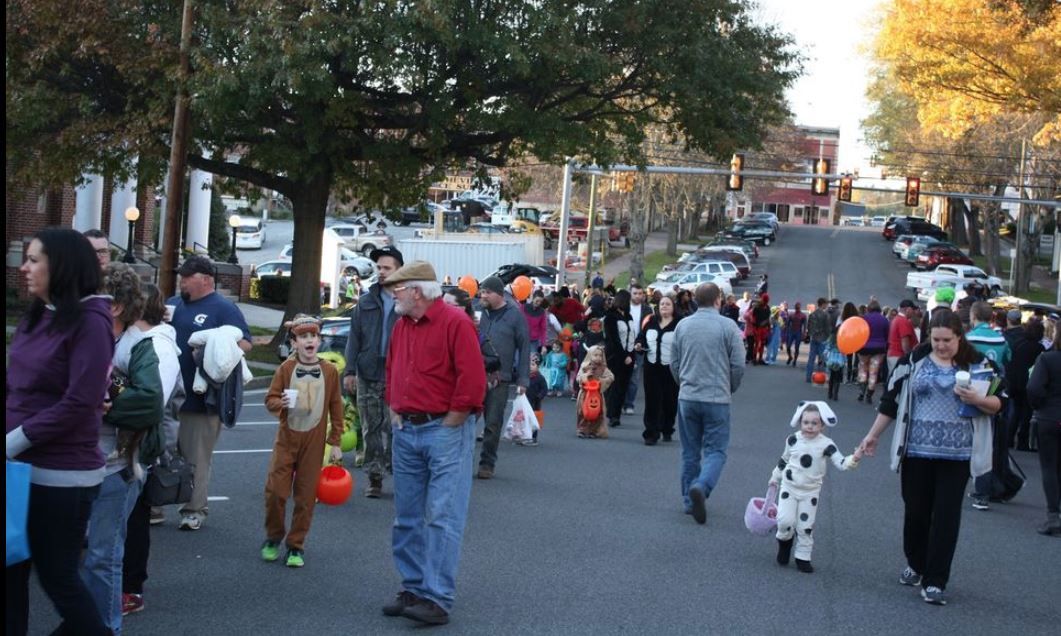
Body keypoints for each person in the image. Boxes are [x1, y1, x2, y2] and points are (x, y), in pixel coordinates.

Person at [858, 309, 1006, 606]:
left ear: (959, 337)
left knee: (947, 518)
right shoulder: (912, 362)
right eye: (936, 339)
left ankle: (936, 580)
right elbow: (891, 402)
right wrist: (872, 436)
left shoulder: (980, 363)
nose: (941, 345)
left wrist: (977, 399)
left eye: (947, 340)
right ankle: (916, 563)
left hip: (957, 455)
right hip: (916, 453)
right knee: (916, 513)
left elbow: (999, 403)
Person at [6, 228, 114, 636]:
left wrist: (13, 441)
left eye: (34, 260)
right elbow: (15, 380)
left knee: (58, 580)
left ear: (62, 266)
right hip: (17, 471)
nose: (24, 267)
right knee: (10, 574)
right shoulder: (39, 312)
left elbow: (81, 401)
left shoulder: (91, 321)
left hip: (61, 476)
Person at [380, 261, 486, 626]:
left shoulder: (455, 323)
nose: (393, 292)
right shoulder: (401, 326)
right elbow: (393, 368)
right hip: (406, 430)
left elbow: (472, 380)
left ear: (419, 290)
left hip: (444, 430)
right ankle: (413, 587)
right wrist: (395, 409)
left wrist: (452, 421)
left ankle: (436, 598)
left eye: (399, 286)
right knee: (406, 517)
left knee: (442, 516)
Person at [83, 263, 165, 635]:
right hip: (76, 465)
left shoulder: (137, 345)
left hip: (116, 469)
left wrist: (109, 403)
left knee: (103, 557)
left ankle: (106, 628)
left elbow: (151, 402)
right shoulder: (85, 337)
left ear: (115, 306)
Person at [167, 255, 252, 531]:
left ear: (205, 279)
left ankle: (194, 509)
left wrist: (213, 348)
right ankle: (153, 504)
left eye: (186, 277)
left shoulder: (223, 309)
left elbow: (246, 343)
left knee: (196, 457)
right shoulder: (172, 304)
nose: (181, 280)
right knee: (160, 452)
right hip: (168, 394)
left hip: (202, 399)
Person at [262, 315, 344, 568]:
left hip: (315, 441)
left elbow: (335, 405)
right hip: (287, 438)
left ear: (319, 341)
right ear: (294, 343)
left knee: (306, 497)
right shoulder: (285, 369)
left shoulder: (329, 371)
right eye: (304, 337)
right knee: (276, 491)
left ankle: (296, 545)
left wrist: (336, 441)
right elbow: (270, 399)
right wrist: (280, 403)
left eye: (314, 336)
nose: (310, 341)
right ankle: (273, 537)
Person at [121, 283, 183, 617]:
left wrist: (111, 392)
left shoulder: (157, 346)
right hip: (130, 445)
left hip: (141, 447)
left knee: (134, 519)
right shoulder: (138, 341)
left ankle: (131, 589)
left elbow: (150, 403)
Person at [670, 283, 745, 525]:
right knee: (716, 450)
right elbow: (738, 365)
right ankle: (702, 486)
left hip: (688, 396)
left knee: (690, 451)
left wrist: (683, 382)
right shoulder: (728, 326)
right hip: (716, 398)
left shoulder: (683, 325)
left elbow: (674, 362)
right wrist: (730, 386)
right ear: (717, 301)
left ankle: (689, 500)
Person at [769, 402, 860, 573]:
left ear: (822, 425)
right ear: (800, 422)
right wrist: (775, 477)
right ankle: (784, 542)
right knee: (784, 521)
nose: (809, 426)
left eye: (815, 423)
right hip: (789, 487)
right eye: (806, 422)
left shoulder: (826, 444)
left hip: (810, 492)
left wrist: (854, 457)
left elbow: (841, 463)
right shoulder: (793, 439)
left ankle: (803, 557)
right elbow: (784, 459)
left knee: (805, 526)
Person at [343, 246, 403, 498]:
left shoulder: (407, 300)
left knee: (396, 429)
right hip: (368, 372)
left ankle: (400, 474)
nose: (381, 272)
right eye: (379, 267)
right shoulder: (366, 301)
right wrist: (349, 371)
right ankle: (374, 477)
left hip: (397, 375)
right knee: (370, 427)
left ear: (399, 269)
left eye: (387, 268)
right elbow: (354, 339)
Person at [476, 276, 530, 480]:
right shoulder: (481, 314)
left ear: (499, 294)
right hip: (476, 374)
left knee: (492, 422)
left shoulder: (515, 316)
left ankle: (487, 463)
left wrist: (523, 380)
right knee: (465, 420)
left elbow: (524, 348)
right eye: (481, 292)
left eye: (487, 292)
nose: (483, 295)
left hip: (501, 377)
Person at [1027, 325, 1060, 535]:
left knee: (1049, 467)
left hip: (1050, 416)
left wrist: (1038, 406)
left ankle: (1053, 515)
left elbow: (1033, 388)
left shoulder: (1048, 359)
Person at [637, 295, 680, 445]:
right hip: (651, 367)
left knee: (670, 400)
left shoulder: (679, 325)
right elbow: (641, 338)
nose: (664, 307)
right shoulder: (651, 322)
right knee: (652, 400)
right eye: (662, 304)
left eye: (668, 304)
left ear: (673, 307)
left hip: (670, 369)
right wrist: (639, 345)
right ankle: (651, 433)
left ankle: (667, 428)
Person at [1004, 309, 1043, 451]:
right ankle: (1022, 441)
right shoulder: (1039, 348)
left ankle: (1009, 438)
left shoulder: (1018, 343)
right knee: (1026, 413)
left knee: (1015, 411)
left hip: (1014, 381)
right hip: (1028, 382)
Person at [603, 289, 636, 428]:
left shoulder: (629, 317)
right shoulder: (611, 317)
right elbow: (613, 339)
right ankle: (612, 415)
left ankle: (617, 413)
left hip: (629, 356)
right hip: (615, 357)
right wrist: (623, 356)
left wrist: (631, 355)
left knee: (623, 386)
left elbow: (632, 336)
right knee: (614, 386)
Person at [575, 344, 615, 439]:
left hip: (597, 394)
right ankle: (582, 429)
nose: (598, 358)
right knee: (583, 412)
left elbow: (611, 377)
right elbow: (578, 378)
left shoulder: (603, 368)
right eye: (595, 355)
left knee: (597, 412)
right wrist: (586, 376)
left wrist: (601, 381)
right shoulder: (585, 366)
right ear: (590, 355)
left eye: (600, 355)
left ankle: (594, 430)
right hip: (585, 394)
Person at [856, 300, 890, 405]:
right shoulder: (884, 320)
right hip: (879, 348)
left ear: (869, 308)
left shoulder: (864, 318)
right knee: (873, 372)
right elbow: (887, 335)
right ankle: (869, 395)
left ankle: (862, 391)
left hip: (864, 348)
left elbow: (859, 332)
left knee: (863, 368)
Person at [623, 284, 648, 414]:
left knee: (634, 377)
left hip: (638, 347)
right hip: (623, 346)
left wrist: (641, 342)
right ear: (630, 294)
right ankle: (619, 401)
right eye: (635, 293)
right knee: (621, 375)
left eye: (640, 293)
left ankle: (629, 404)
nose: (638, 296)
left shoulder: (647, 309)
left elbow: (648, 328)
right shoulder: (624, 307)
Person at [519, 355, 547, 447]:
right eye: (529, 364)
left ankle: (533, 437)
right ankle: (524, 436)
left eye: (533, 364)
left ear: (538, 366)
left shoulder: (540, 378)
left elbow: (544, 389)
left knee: (533, 420)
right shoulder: (525, 377)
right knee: (524, 419)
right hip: (525, 401)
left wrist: (539, 396)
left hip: (535, 403)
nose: (531, 366)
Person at [887, 300, 919, 376]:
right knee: (898, 381)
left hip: (893, 354)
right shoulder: (903, 321)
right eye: (913, 309)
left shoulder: (896, 319)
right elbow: (905, 343)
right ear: (907, 309)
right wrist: (909, 357)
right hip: (899, 355)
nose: (914, 312)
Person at [805, 298, 831, 382]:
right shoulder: (825, 315)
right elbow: (827, 328)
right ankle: (822, 377)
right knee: (823, 359)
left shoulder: (812, 314)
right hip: (822, 339)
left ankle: (808, 377)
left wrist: (809, 335)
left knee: (811, 359)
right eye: (826, 304)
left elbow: (809, 327)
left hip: (814, 338)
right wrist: (828, 337)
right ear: (823, 304)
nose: (826, 306)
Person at [839, 302, 860, 383]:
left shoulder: (843, 317)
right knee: (856, 360)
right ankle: (854, 377)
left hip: (848, 340)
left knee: (849, 359)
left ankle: (848, 377)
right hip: (857, 339)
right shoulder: (857, 317)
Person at [751, 294, 771, 365]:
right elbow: (753, 318)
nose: (765, 302)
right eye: (765, 301)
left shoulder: (767, 308)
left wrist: (768, 327)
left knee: (762, 343)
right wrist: (755, 326)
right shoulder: (757, 307)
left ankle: (760, 358)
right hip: (757, 328)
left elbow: (768, 318)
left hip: (764, 328)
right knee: (757, 343)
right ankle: (754, 358)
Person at [784, 302, 806, 366]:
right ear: (795, 308)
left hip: (798, 332)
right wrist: (786, 332)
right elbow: (787, 324)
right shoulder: (791, 315)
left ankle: (795, 360)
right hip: (791, 332)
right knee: (788, 346)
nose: (797, 308)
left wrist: (804, 333)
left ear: (800, 308)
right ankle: (790, 357)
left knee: (797, 347)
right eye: (796, 307)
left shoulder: (803, 315)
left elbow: (805, 325)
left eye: (798, 307)